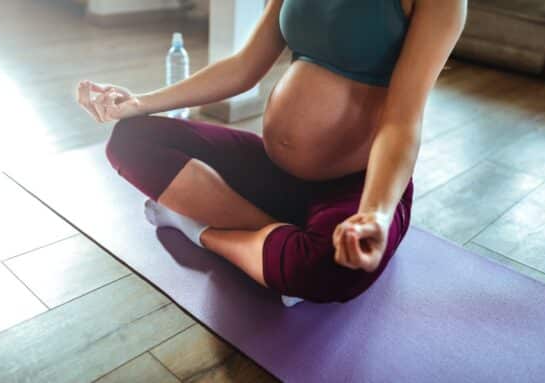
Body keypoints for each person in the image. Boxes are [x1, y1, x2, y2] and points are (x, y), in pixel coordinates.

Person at [76, 0, 467, 306]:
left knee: (335, 269)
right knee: (131, 140)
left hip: (359, 186)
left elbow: (401, 121)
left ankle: (199, 230)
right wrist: (142, 102)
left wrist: (376, 214)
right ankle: (275, 242)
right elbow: (244, 67)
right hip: (274, 169)